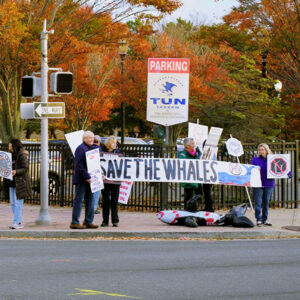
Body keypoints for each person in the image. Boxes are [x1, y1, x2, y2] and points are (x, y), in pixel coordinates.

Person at [70, 131, 99, 229]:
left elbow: (96, 164)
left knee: (90, 201)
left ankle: (88, 221)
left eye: (92, 137)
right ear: (84, 139)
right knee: (79, 200)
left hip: (91, 179)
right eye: (89, 138)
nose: (91, 139)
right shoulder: (80, 149)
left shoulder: (94, 148)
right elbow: (79, 165)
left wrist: (100, 175)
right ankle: (74, 222)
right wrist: (87, 177)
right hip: (82, 180)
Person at [7, 138, 32, 229]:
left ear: (14, 145)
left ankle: (16, 222)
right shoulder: (10, 155)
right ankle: (18, 221)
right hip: (12, 182)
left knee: (18, 203)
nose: (9, 147)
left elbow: (25, 168)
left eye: (10, 145)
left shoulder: (22, 155)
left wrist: (16, 172)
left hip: (20, 183)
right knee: (13, 203)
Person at [251, 143, 274, 226]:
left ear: (267, 150)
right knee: (258, 202)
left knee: (266, 202)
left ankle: (265, 219)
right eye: (259, 150)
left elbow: (280, 167)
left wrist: (288, 173)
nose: (261, 151)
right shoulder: (255, 160)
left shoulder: (272, 159)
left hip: (269, 183)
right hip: (257, 184)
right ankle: (258, 219)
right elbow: (250, 170)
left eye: (262, 149)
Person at [101, 136, 122, 227]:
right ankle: (105, 221)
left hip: (115, 181)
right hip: (105, 180)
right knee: (105, 202)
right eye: (113, 143)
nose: (115, 145)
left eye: (116, 143)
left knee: (114, 201)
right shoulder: (101, 152)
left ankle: (115, 220)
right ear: (109, 143)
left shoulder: (118, 153)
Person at [178, 137, 202, 210]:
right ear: (187, 146)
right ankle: (187, 210)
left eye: (193, 143)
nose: (194, 145)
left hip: (195, 178)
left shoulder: (194, 154)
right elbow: (184, 164)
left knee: (199, 194)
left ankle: (193, 208)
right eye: (192, 144)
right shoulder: (182, 154)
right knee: (188, 196)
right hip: (188, 179)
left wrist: (199, 154)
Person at [201, 139, 214, 212]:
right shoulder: (212, 153)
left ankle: (209, 207)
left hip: (208, 175)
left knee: (207, 192)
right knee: (206, 192)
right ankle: (208, 207)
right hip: (206, 175)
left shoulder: (210, 154)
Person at [92, 135, 102, 214]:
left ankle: (91, 206)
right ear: (98, 142)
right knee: (97, 191)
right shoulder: (99, 150)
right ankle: (94, 207)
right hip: (97, 172)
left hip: (89, 172)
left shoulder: (88, 148)